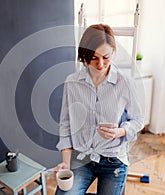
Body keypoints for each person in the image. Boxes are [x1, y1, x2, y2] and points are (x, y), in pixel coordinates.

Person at [54, 24, 144, 195]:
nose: (101, 64)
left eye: (106, 57)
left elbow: (138, 120)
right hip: (82, 158)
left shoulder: (124, 82)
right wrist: (66, 162)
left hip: (113, 160)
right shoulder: (72, 83)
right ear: (84, 56)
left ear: (113, 52)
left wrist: (120, 132)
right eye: (93, 58)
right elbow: (65, 124)